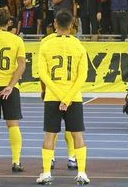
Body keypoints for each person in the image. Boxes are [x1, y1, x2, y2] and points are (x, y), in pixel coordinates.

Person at [36, 10, 89, 186]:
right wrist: (67, 97)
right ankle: (82, 173)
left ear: (55, 25)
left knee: (49, 135)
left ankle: (46, 173)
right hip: (74, 97)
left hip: (53, 96)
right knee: (77, 135)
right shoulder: (79, 46)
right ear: (72, 25)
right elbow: (82, 76)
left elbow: (43, 74)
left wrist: (59, 95)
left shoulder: (46, 45)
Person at [0, 8, 26, 173]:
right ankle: (16, 161)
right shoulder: (16, 40)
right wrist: (10, 85)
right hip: (10, 86)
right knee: (13, 125)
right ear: (9, 22)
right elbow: (22, 65)